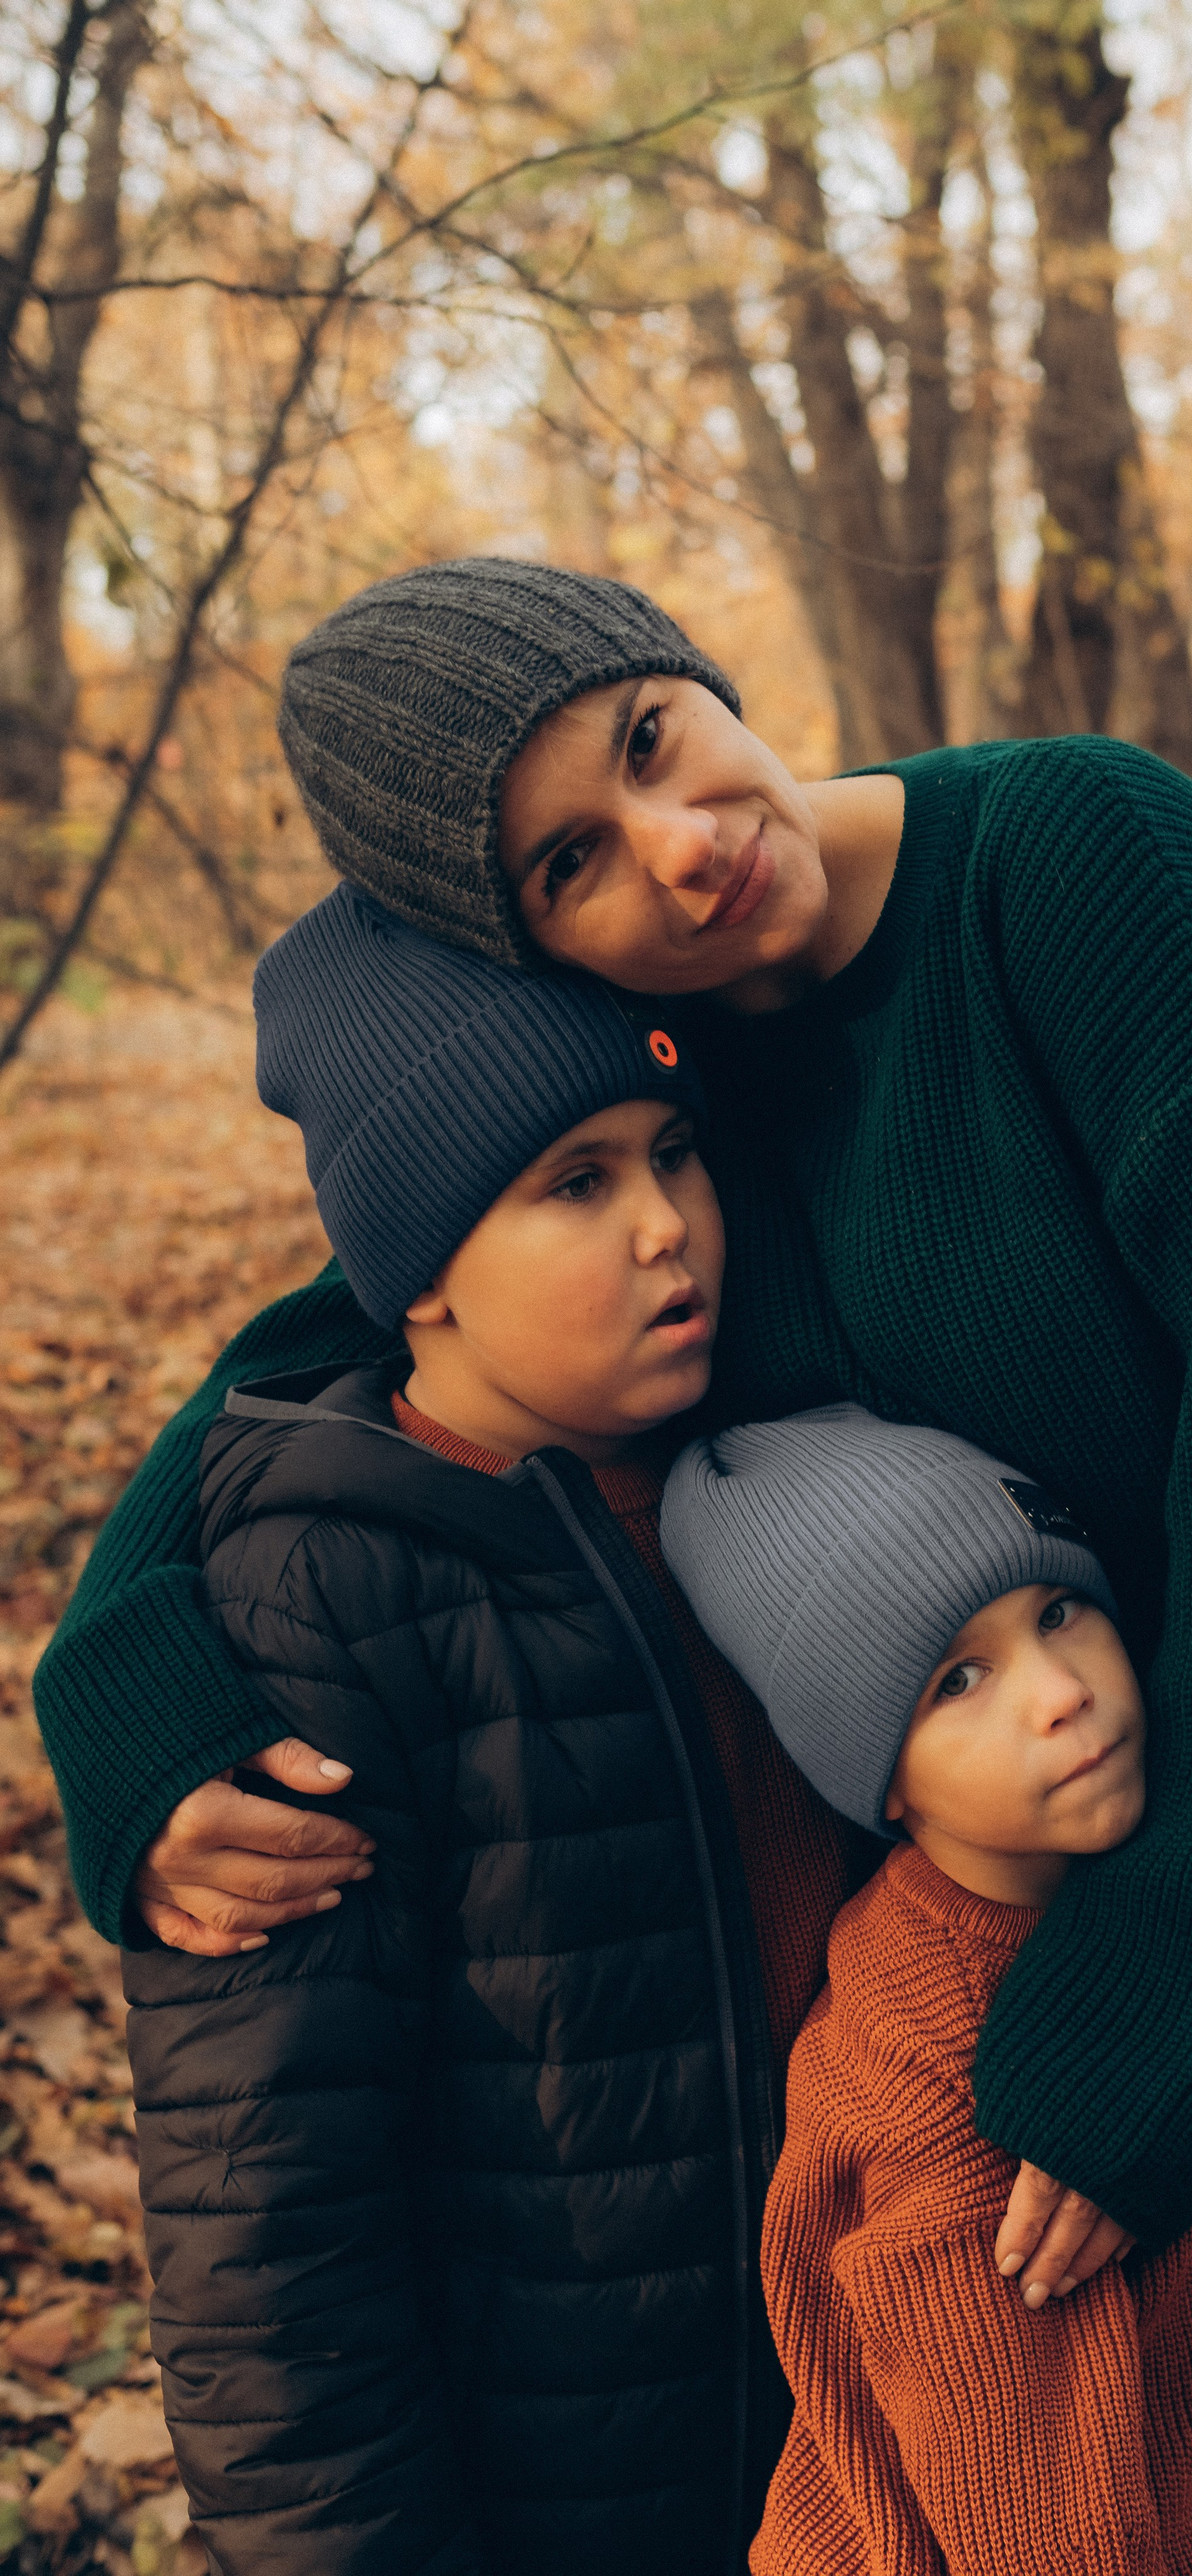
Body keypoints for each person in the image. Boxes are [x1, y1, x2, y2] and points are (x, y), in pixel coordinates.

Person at [38, 557, 1192, 2570]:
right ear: (530, 939)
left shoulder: (1092, 866)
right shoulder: (692, 1070)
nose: (680, 846)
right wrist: (120, 1653)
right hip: (1120, 1856)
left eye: (650, 740)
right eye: (572, 862)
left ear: (694, 673)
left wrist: (1173, 1991)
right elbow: (364, 1306)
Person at [123, 883, 859, 2573]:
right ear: (416, 1273)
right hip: (559, 2500)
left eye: (673, 1153)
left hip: (851, 2454)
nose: (667, 1226)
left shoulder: (775, 1484)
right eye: (575, 1185)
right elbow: (270, 2242)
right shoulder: (324, 1598)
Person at [660, 1403, 1192, 2576]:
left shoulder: (1152, 1908)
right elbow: (1037, 2527)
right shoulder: (934, 2066)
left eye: (1058, 1612)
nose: (1059, 1691)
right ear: (877, 1779)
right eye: (959, 1680)